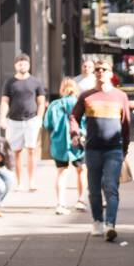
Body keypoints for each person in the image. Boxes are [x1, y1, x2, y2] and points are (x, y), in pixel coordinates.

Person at [70, 58, 131, 241]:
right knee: (94, 190)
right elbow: (74, 116)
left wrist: (125, 148)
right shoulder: (86, 96)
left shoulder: (121, 96)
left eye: (104, 69)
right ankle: (97, 221)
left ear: (111, 73)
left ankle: (110, 225)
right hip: (92, 150)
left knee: (111, 188)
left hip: (114, 149)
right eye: (97, 69)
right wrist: (74, 133)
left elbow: (126, 124)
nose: (100, 72)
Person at [0, 54, 46, 193]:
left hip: (31, 120)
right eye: (20, 64)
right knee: (16, 152)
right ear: (15, 65)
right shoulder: (10, 82)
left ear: (29, 65)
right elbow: (4, 102)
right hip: (14, 121)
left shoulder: (36, 82)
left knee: (32, 151)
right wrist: (2, 117)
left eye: (25, 64)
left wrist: (39, 118)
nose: (22, 66)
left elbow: (41, 102)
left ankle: (31, 182)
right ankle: (19, 183)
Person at [42, 79, 87, 214]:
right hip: (78, 142)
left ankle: (61, 204)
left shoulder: (54, 105)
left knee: (61, 173)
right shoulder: (81, 104)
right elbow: (86, 122)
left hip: (59, 144)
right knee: (82, 170)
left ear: (62, 89)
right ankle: (80, 201)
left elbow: (47, 125)